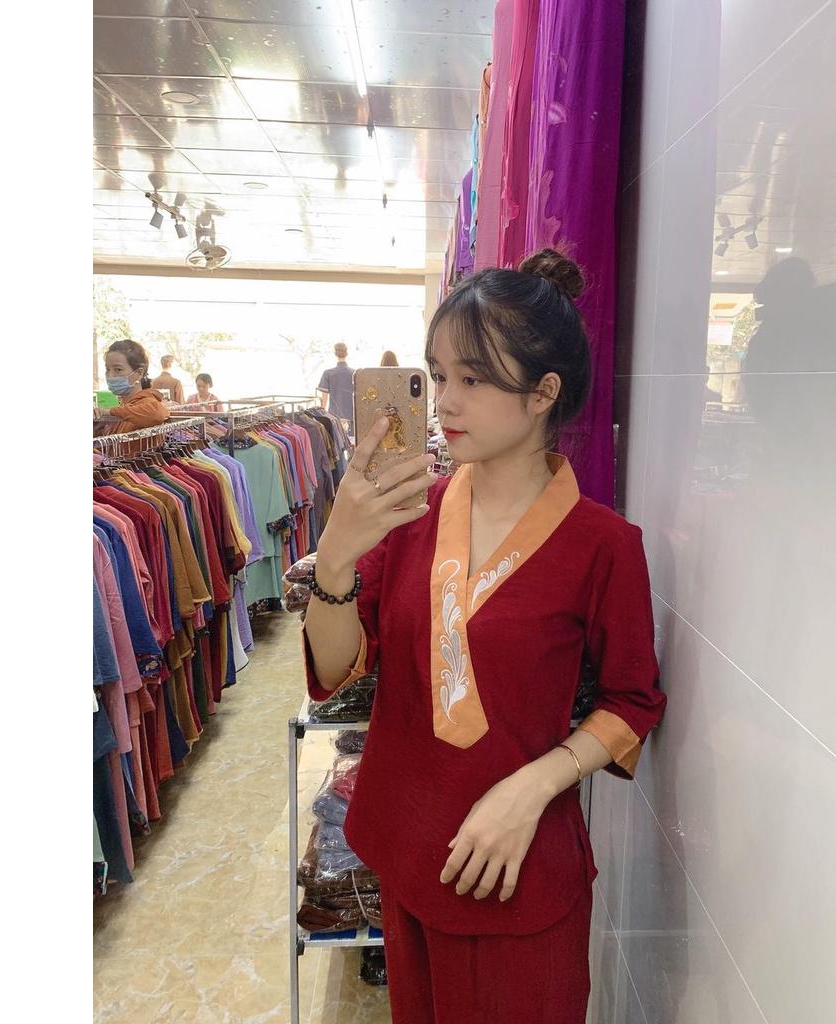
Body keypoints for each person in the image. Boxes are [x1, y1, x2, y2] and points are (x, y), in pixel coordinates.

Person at [302, 249, 667, 1023]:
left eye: (472, 379)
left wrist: (533, 786)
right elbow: (335, 669)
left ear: (543, 393)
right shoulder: (409, 518)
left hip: (517, 871)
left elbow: (633, 702)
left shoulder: (603, 545)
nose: (444, 402)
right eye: (438, 376)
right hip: (408, 851)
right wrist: (335, 556)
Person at [94, 339, 170, 434]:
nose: (110, 375)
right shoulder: (124, 408)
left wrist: (108, 412)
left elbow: (157, 413)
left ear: (139, 373)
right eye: (107, 369)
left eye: (118, 370)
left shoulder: (146, 403)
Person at [317, 342, 354, 432]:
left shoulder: (328, 373)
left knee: (337, 440)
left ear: (335, 353)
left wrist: (321, 414)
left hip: (334, 416)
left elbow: (324, 398)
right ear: (347, 353)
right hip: (352, 415)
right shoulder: (354, 373)